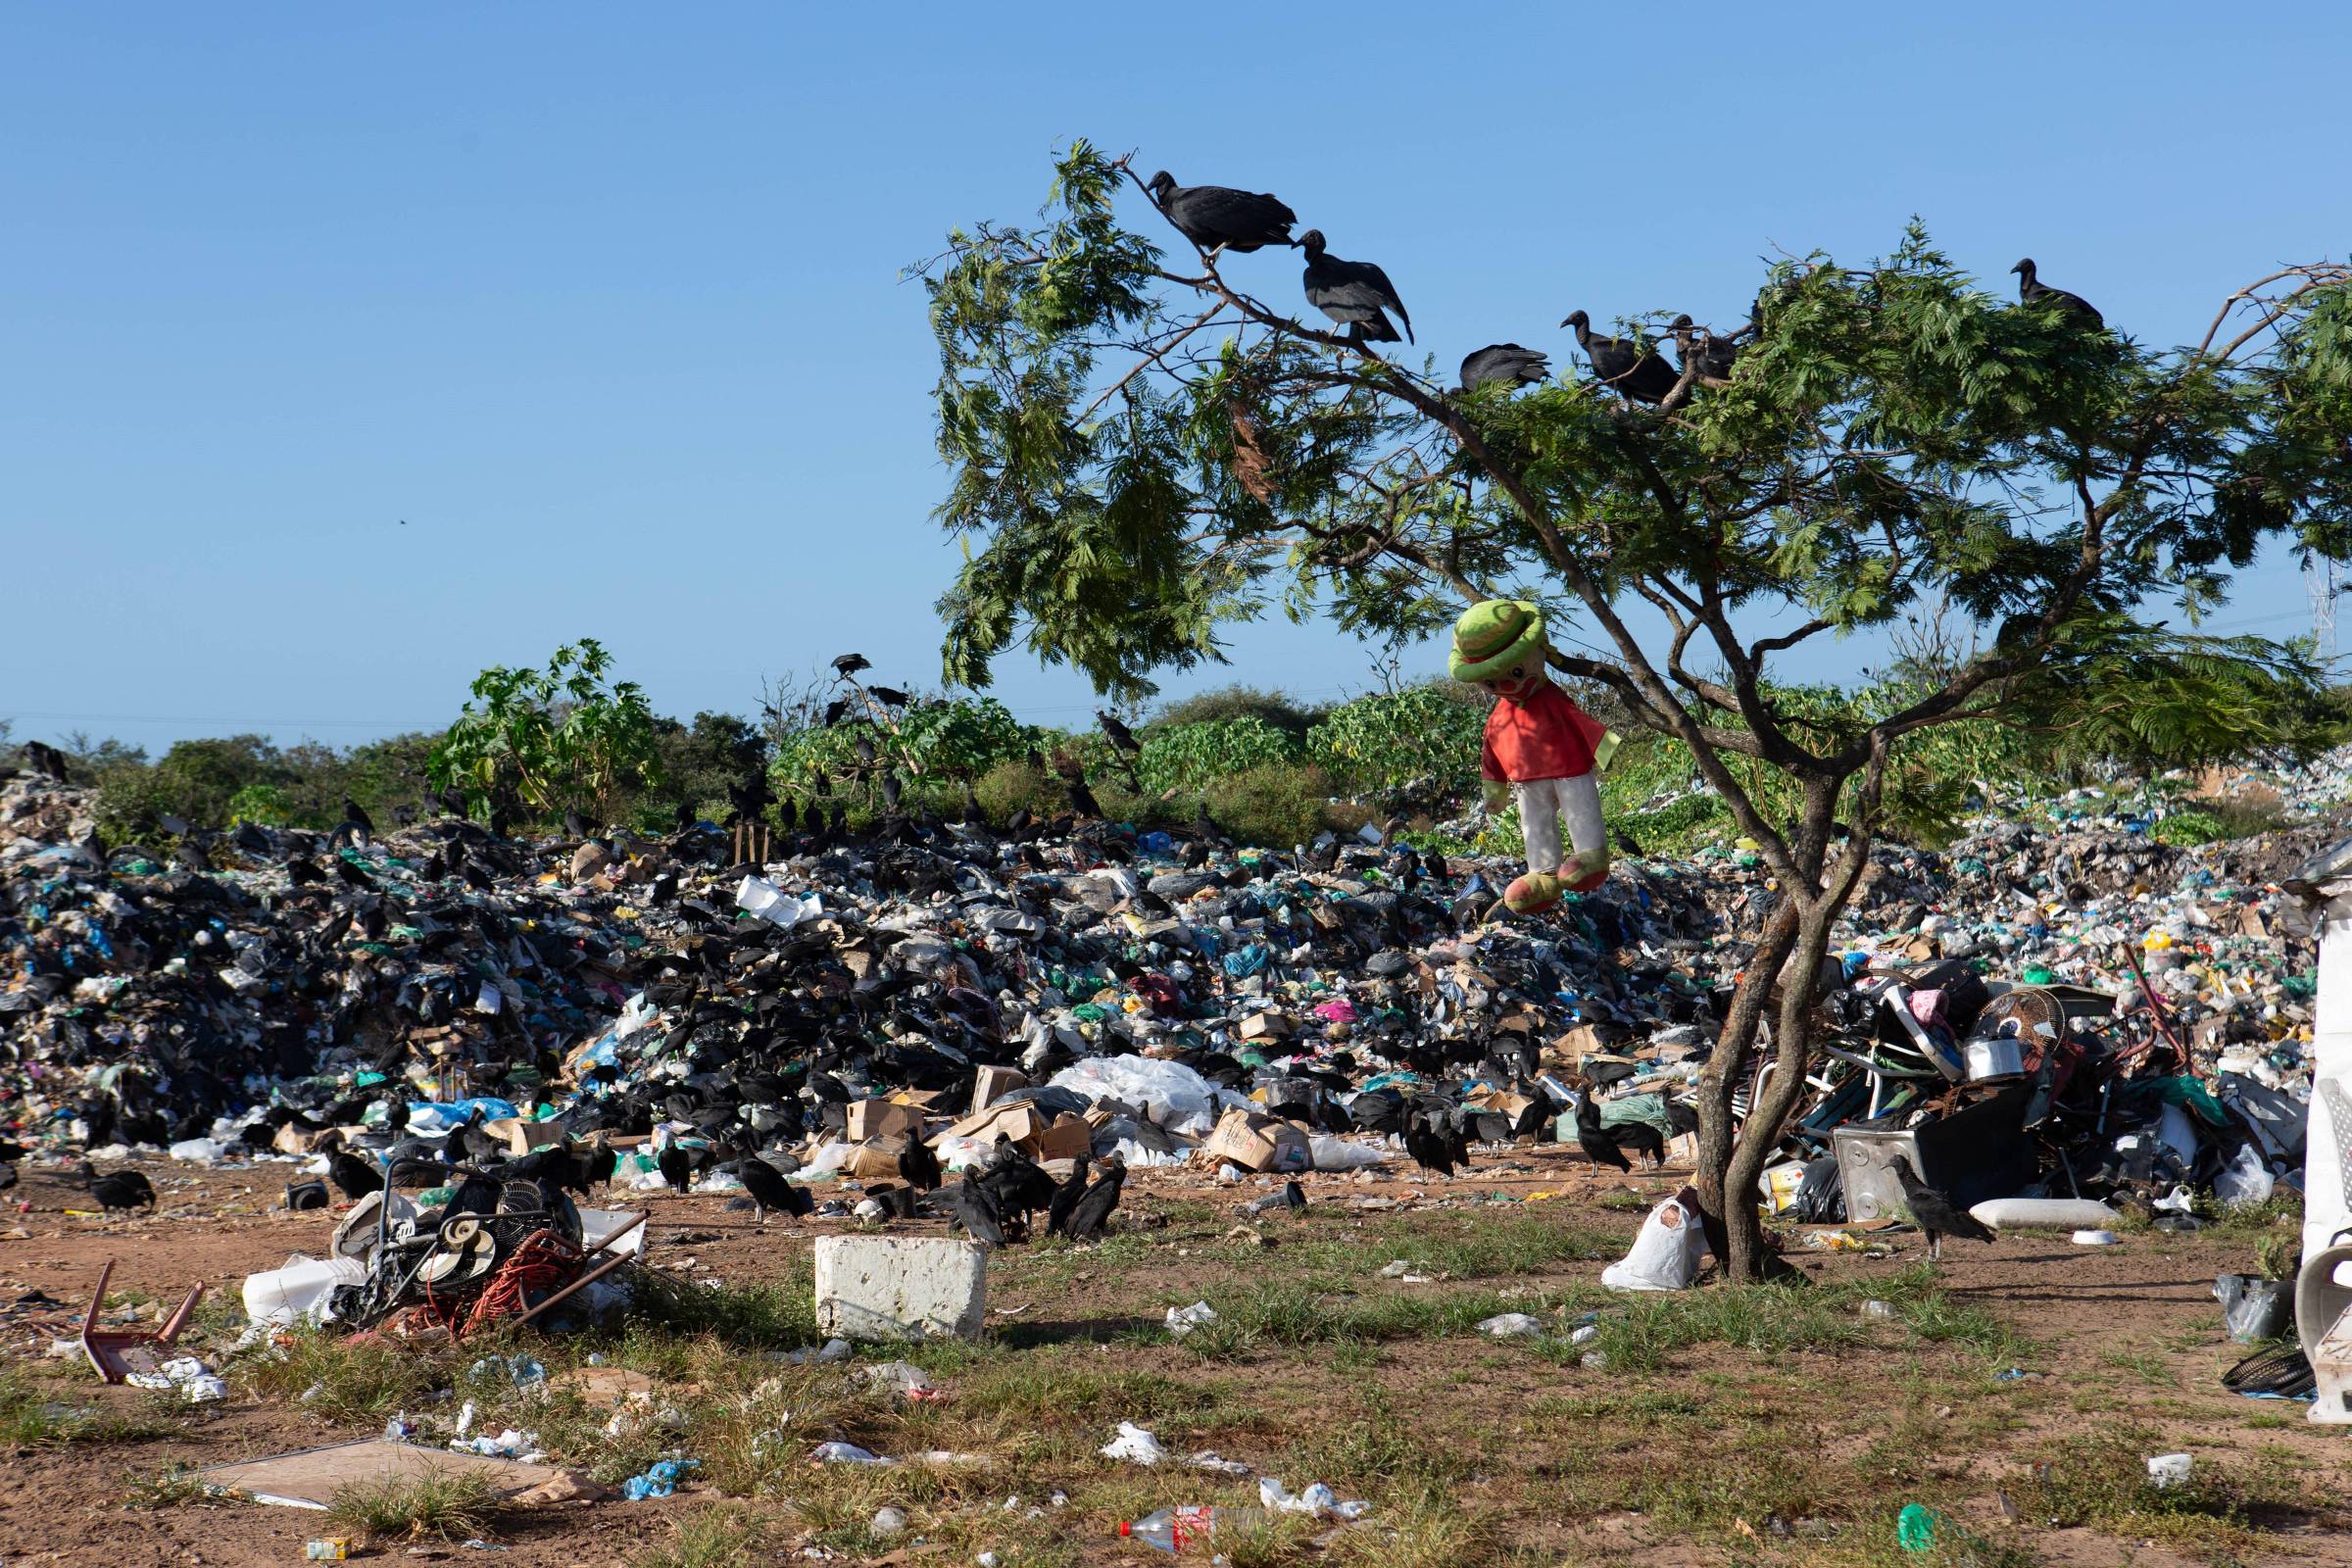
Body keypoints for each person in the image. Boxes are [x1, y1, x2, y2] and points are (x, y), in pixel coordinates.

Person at [1446, 599, 1619, 914]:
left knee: (1579, 811)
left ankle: (1591, 856)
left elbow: (1579, 720)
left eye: (1514, 671)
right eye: (1492, 681)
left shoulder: (1551, 698)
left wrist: (1605, 748)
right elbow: (1491, 754)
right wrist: (1495, 792)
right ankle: (1543, 875)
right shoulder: (1499, 717)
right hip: (1526, 782)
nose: (1507, 685)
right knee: (1535, 824)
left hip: (1570, 769)